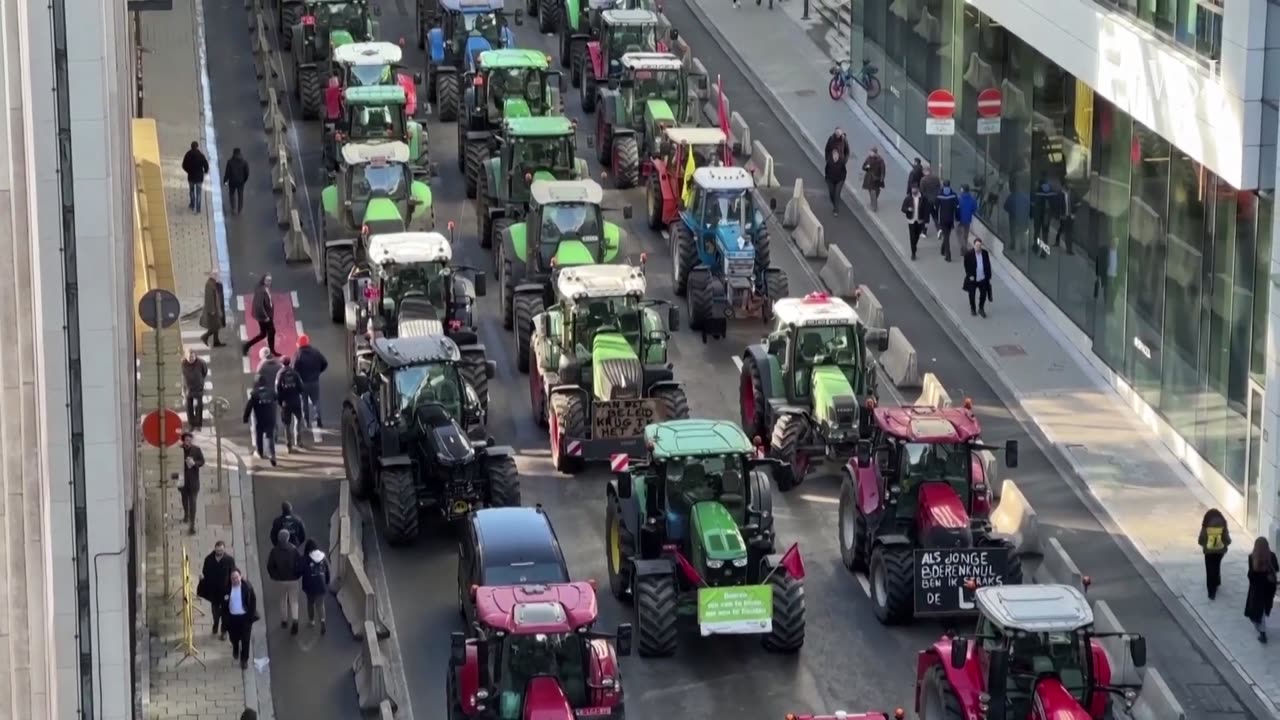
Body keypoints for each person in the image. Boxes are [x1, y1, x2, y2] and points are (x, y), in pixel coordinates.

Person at [266, 528, 302, 635]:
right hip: (293, 579)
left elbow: (270, 566)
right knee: (294, 601)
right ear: (288, 538)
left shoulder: (274, 551)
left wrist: (274, 576)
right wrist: (297, 575)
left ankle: (284, 621)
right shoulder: (293, 549)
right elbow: (300, 563)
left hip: (280, 580)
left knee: (282, 599)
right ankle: (295, 620)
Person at [198, 540, 236, 639]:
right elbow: (205, 572)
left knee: (225, 613)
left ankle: (224, 631)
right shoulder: (209, 559)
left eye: (221, 551)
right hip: (214, 591)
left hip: (225, 591)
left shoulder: (229, 560)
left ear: (224, 550)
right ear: (215, 549)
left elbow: (233, 573)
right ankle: (215, 623)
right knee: (215, 611)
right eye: (218, 551)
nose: (219, 553)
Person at [223, 568, 259, 669]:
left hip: (245, 619)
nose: (235, 580)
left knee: (245, 640)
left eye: (236, 577)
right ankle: (235, 647)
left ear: (240, 577)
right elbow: (224, 604)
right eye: (233, 578)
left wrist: (250, 618)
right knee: (234, 637)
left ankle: (244, 660)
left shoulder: (247, 588)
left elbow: (252, 603)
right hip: (232, 618)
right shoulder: (227, 589)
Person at [1245, 537, 1278, 643]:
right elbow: (1277, 568)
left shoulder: (1252, 557)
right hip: (1268, 588)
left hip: (1257, 588)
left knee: (1256, 610)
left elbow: (1251, 575)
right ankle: (1261, 629)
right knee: (1262, 609)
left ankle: (1262, 633)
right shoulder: (1271, 556)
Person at [293, 334, 329, 428]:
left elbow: (294, 369)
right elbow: (325, 363)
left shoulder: (298, 355)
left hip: (302, 382)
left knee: (303, 402)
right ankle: (318, 418)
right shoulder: (315, 352)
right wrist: (318, 372)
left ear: (298, 344)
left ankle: (306, 422)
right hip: (314, 381)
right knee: (316, 401)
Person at [1197, 509, 1231, 600]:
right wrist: (1225, 544)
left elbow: (1201, 539)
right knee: (1216, 565)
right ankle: (1217, 582)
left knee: (1209, 569)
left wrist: (1204, 544)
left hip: (1209, 551)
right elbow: (1227, 539)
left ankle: (1211, 592)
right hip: (1220, 551)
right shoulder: (1223, 523)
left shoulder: (1206, 523)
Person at [299, 538, 331, 633]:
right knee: (320, 604)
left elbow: (301, 570)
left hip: (309, 586)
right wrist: (327, 582)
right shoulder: (323, 557)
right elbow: (328, 571)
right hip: (321, 585)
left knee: (310, 603)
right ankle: (322, 621)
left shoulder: (306, 558)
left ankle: (312, 621)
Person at [243, 382, 278, 465]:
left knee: (259, 435)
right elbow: (277, 399)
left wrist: (245, 418)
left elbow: (249, 406)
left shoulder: (254, 394)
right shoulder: (271, 392)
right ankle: (272, 454)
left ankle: (260, 452)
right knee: (269, 436)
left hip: (259, 418)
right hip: (270, 417)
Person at [242, 275, 276, 357]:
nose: (269, 282)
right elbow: (259, 306)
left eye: (270, 280)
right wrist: (266, 317)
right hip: (264, 316)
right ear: (263, 280)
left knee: (264, 334)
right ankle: (271, 351)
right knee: (271, 332)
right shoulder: (261, 290)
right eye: (267, 280)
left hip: (267, 314)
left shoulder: (265, 288)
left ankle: (246, 346)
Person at [276, 357, 305, 452]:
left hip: (285, 403)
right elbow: (301, 387)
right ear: (289, 363)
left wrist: (280, 401)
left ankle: (289, 445)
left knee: (287, 424)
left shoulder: (280, 374)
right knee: (297, 421)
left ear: (282, 363)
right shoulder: (295, 373)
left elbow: (277, 389)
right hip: (296, 401)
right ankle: (298, 441)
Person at [180, 432, 204, 534]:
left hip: (193, 482)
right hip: (182, 481)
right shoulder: (179, 450)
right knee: (184, 500)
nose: (188, 442)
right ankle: (186, 514)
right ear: (183, 441)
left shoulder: (196, 450)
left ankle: (192, 525)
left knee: (193, 503)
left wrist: (195, 463)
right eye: (186, 440)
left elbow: (202, 461)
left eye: (190, 440)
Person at [963, 239, 993, 318]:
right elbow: (966, 266)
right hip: (973, 279)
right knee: (972, 295)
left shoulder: (985, 253)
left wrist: (988, 276)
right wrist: (970, 275)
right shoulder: (969, 254)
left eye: (980, 246)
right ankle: (973, 308)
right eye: (977, 246)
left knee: (983, 294)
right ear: (974, 245)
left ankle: (981, 308)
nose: (978, 247)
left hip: (982, 278)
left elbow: (988, 265)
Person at [901, 186, 931, 261]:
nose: (913, 191)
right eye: (912, 189)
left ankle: (914, 244)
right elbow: (903, 208)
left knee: (917, 235)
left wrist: (927, 221)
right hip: (911, 221)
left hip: (920, 220)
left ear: (918, 189)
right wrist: (908, 209)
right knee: (912, 236)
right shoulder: (908, 198)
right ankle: (913, 253)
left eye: (915, 189)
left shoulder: (923, 198)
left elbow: (927, 210)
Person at [181, 349, 209, 430]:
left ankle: (198, 424)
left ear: (195, 356)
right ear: (186, 357)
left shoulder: (201, 363)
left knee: (198, 407)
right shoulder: (183, 363)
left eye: (192, 357)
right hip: (188, 389)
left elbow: (205, 372)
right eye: (189, 357)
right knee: (189, 408)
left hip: (198, 389)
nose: (191, 359)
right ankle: (192, 424)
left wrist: (200, 381)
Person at [199, 271, 227, 347]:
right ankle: (205, 337)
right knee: (216, 326)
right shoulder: (209, 284)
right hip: (212, 310)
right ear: (212, 275)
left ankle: (216, 341)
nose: (217, 276)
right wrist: (212, 310)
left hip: (215, 309)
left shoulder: (213, 283)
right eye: (216, 275)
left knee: (216, 326)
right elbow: (209, 298)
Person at [182, 141, 210, 213]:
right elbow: (206, 165)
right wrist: (205, 171)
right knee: (199, 193)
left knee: (191, 191)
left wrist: (188, 171)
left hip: (191, 176)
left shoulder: (188, 154)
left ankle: (192, 204)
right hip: (199, 177)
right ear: (197, 147)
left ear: (191, 147)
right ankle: (198, 208)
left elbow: (184, 165)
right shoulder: (200, 155)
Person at [934, 180, 959, 262]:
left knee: (947, 237)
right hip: (950, 219)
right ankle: (942, 250)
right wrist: (957, 217)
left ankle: (948, 256)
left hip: (943, 219)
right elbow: (957, 207)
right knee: (947, 235)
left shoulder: (939, 195)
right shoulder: (954, 195)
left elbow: (936, 208)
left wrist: (936, 219)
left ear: (943, 185)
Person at [223, 148, 250, 216]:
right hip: (241, 181)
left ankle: (233, 208)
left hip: (232, 181)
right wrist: (244, 179)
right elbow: (247, 173)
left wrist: (225, 180)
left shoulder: (230, 162)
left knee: (232, 194)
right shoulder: (244, 162)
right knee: (240, 195)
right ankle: (240, 209)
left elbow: (227, 173)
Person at [1054, 183, 1078, 254]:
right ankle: (1058, 241)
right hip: (1063, 216)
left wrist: (1073, 213)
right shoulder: (1060, 196)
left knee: (1068, 232)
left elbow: (1077, 204)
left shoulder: (1072, 196)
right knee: (1062, 229)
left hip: (1070, 216)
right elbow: (1057, 206)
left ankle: (1069, 249)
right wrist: (1060, 215)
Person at [823, 146, 847, 216]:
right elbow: (826, 169)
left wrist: (843, 179)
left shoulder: (842, 162)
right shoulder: (829, 161)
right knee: (831, 193)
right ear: (833, 155)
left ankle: (836, 209)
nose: (836, 157)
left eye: (837, 155)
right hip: (830, 179)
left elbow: (844, 171)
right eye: (834, 155)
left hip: (839, 180)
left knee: (837, 194)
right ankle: (834, 201)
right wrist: (827, 178)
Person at [861, 147, 886, 211]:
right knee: (871, 191)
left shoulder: (880, 160)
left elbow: (883, 170)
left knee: (874, 191)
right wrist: (866, 167)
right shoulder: (868, 159)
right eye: (870, 152)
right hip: (869, 177)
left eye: (871, 152)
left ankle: (874, 205)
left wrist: (882, 179)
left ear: (875, 153)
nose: (870, 153)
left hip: (876, 178)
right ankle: (874, 203)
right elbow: (863, 167)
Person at [1033, 179, 1057, 245]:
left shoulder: (1037, 190)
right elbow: (1054, 204)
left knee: (1037, 231)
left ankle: (1036, 244)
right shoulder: (1051, 191)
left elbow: (1033, 203)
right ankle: (1044, 250)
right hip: (1046, 215)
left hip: (1038, 214)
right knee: (1045, 232)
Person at [956, 184, 978, 252]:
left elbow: (955, 208)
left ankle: (963, 247)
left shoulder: (959, 198)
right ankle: (965, 246)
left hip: (960, 219)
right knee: (965, 234)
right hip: (968, 219)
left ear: (962, 190)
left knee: (959, 234)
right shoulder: (972, 199)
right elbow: (974, 209)